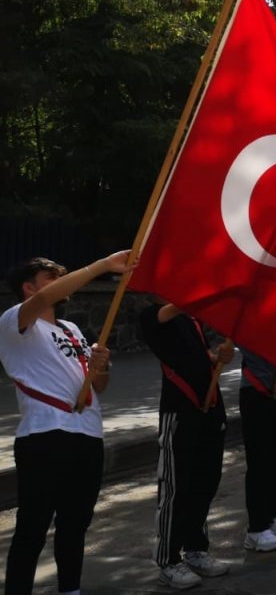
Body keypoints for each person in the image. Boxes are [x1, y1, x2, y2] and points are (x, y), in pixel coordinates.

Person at [3, 252, 130, 595]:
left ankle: (69, 590)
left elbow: (97, 386)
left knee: (75, 524)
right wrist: (102, 266)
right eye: (51, 278)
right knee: (33, 527)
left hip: (87, 432)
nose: (59, 284)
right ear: (28, 289)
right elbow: (45, 299)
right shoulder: (16, 321)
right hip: (45, 434)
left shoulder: (71, 329)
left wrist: (100, 366)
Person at [139, 299, 235, 589]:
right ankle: (168, 559)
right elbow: (170, 312)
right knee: (176, 486)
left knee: (205, 481)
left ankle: (196, 549)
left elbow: (201, 357)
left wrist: (220, 357)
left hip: (209, 407)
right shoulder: (153, 316)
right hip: (180, 411)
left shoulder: (192, 320)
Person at [238, 347, 276, 553]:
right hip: (255, 391)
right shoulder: (247, 316)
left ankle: (275, 517)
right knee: (259, 461)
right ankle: (256, 528)